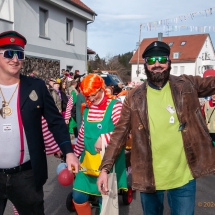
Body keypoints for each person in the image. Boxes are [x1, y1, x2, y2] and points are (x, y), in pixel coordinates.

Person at [97, 41, 215, 215]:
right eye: (151, 60)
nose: (157, 64)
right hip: (148, 177)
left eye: (161, 59)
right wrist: (105, 168)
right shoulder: (133, 97)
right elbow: (119, 133)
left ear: (168, 62)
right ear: (145, 64)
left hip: (184, 177)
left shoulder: (186, 84)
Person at [0, 30, 79, 215]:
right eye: (9, 53)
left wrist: (68, 152)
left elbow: (56, 122)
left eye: (19, 54)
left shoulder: (35, 86)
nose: (15, 59)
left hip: (26, 175)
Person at [72, 74, 127, 215]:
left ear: (101, 88)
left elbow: (124, 130)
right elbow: (82, 136)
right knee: (78, 197)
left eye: (93, 95)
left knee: (105, 200)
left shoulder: (115, 105)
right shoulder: (88, 108)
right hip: (88, 161)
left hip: (107, 162)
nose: (90, 99)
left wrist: (104, 138)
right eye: (87, 96)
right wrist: (74, 155)